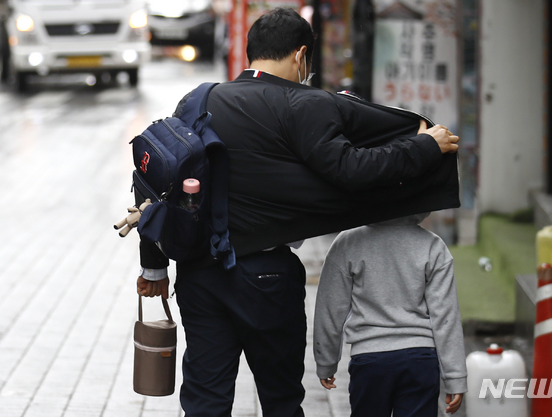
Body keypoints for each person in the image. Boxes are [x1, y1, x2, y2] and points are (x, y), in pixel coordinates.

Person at [136, 7, 460, 417]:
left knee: (205, 400)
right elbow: (352, 171)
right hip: (266, 278)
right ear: (301, 55)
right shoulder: (302, 104)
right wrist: (425, 146)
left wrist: (154, 268)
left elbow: (160, 179)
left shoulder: (199, 101)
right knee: (281, 400)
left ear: (252, 52)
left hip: (200, 277)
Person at [313, 213, 467, 416]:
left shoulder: (348, 242)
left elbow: (330, 309)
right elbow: (446, 317)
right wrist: (455, 376)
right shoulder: (432, 246)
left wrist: (326, 361)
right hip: (419, 359)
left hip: (369, 360)